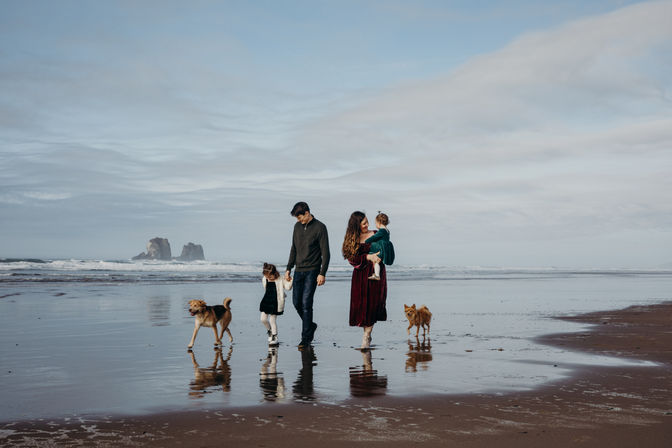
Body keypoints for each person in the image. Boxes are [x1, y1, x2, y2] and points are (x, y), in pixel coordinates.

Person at [285, 202, 330, 349]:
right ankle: (311, 325)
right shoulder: (297, 227)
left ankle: (305, 338)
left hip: (313, 271)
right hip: (298, 270)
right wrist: (288, 268)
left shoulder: (320, 227)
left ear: (307, 213)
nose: (299, 220)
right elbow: (294, 248)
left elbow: (326, 253)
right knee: (296, 302)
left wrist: (322, 273)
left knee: (306, 304)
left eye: (300, 217)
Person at [342, 211, 387, 350]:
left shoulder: (376, 234)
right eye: (363, 223)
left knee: (373, 306)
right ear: (356, 225)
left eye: (367, 221)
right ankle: (366, 333)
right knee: (362, 307)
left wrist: (380, 256)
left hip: (376, 274)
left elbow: (386, 248)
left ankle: (366, 336)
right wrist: (368, 257)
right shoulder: (352, 238)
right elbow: (351, 259)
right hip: (360, 276)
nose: (367, 225)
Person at [260, 262, 292, 346]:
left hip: (276, 302)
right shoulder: (264, 278)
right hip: (266, 300)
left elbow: (288, 287)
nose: (268, 278)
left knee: (272, 320)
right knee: (263, 319)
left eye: (270, 276)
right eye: (267, 276)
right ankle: (270, 331)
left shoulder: (280, 279)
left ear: (275, 273)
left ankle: (274, 336)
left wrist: (291, 280)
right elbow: (265, 289)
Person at [365, 211, 395, 281]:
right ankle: (376, 274)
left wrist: (367, 241)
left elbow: (374, 237)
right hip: (385, 248)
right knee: (377, 262)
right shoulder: (387, 230)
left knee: (376, 260)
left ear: (379, 222)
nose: (376, 225)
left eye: (375, 223)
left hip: (381, 248)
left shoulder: (381, 231)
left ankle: (377, 275)